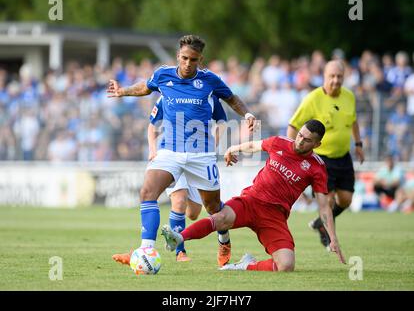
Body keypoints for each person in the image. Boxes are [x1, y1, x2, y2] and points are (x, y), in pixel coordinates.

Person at [108, 35, 257, 267]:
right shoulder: (163, 75)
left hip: (201, 154)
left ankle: (224, 240)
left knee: (213, 208)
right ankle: (146, 250)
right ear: (178, 56)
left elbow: (232, 99)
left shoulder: (210, 80)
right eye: (185, 58)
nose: (188, 63)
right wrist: (123, 91)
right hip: (169, 152)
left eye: (193, 60)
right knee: (148, 192)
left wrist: (247, 114)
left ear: (200, 60)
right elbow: (145, 88)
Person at [161, 120, 345, 272]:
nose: (300, 141)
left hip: (275, 216)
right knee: (221, 218)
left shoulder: (316, 167)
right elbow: (253, 145)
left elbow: (323, 206)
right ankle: (179, 237)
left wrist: (333, 238)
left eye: (307, 140)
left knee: (286, 265)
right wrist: (233, 148)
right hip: (251, 201)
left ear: (317, 144)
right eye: (300, 135)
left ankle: (244, 265)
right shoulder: (280, 143)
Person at [287, 60, 365, 250]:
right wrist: (293, 153)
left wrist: (358, 144)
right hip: (321, 159)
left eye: (339, 76)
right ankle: (331, 238)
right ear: (324, 77)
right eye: (332, 76)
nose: (336, 80)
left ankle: (320, 223)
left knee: (346, 200)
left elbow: (353, 121)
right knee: (327, 201)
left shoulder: (349, 96)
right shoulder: (312, 99)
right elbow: (293, 125)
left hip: (343, 156)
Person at [148, 95, 227, 262]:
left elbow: (222, 122)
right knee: (179, 200)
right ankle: (180, 252)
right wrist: (152, 149)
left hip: (199, 158)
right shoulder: (167, 93)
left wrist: (214, 146)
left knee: (195, 213)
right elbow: (152, 124)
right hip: (172, 155)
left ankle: (224, 240)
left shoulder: (209, 94)